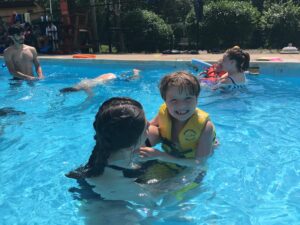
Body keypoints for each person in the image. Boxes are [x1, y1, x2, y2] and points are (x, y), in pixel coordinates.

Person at [133, 72, 217, 200]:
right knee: (141, 187)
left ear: (197, 98)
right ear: (165, 101)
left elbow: (199, 163)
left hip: (191, 168)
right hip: (169, 161)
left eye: (188, 98)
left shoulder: (205, 127)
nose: (181, 106)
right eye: (174, 100)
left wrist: (161, 155)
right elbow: (149, 128)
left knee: (171, 198)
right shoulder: (164, 113)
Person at [65, 97, 159, 205]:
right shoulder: (117, 183)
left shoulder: (104, 150)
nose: (150, 126)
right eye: (146, 127)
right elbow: (154, 203)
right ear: (132, 144)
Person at [59, 69, 140, 95]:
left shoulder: (85, 86)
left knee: (129, 80)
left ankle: (136, 72)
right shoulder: (83, 82)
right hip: (107, 76)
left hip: (110, 78)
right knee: (123, 78)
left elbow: (91, 97)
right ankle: (129, 72)